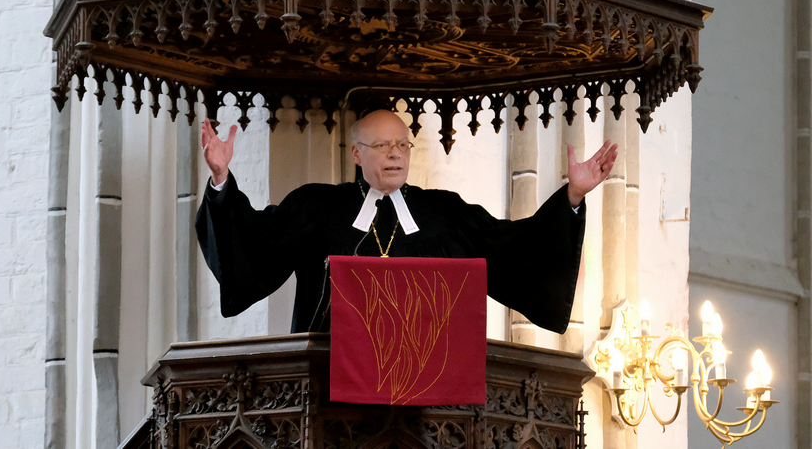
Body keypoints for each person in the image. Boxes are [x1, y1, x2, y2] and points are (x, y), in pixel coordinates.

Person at [195, 110, 618, 334]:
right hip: (325, 387)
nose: (396, 154)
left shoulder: (444, 213)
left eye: (402, 144)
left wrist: (572, 196)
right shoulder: (317, 206)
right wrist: (220, 179)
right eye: (382, 145)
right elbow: (255, 244)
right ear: (357, 154)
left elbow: (512, 247)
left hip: (425, 392)